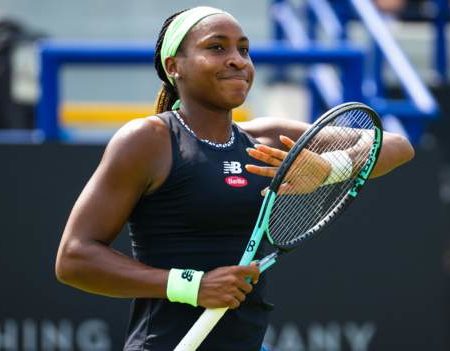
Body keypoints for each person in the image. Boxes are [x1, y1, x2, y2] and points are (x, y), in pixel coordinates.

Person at [55, 6, 415, 351]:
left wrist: (329, 169)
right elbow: (74, 258)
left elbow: (396, 145)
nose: (237, 60)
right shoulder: (148, 140)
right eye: (216, 47)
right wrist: (193, 286)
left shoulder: (266, 138)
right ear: (173, 66)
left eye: (244, 49)